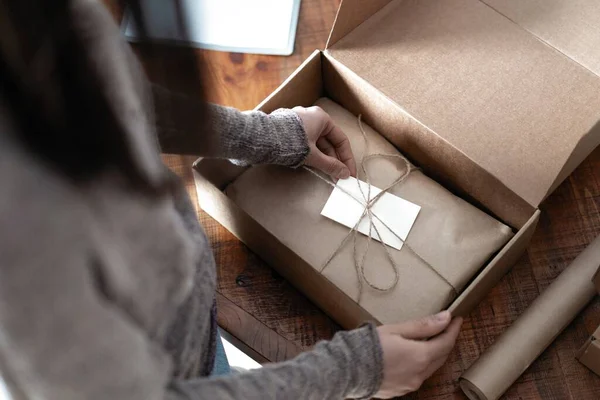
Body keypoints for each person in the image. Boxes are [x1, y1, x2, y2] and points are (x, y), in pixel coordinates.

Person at [0, 0, 463, 399]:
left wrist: (267, 136)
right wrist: (356, 370)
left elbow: (121, 103)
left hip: (197, 331)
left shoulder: (47, 23)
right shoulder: (21, 246)